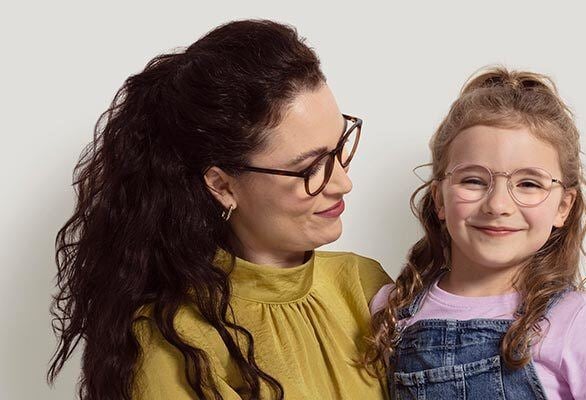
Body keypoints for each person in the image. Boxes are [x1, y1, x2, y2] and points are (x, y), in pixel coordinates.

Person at [48, 20, 391, 400]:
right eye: (309, 168)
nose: (343, 183)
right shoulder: (176, 343)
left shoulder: (363, 284)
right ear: (222, 185)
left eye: (340, 146)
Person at [365, 66, 586, 399]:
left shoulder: (577, 321)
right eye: (473, 180)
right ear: (439, 198)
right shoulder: (391, 309)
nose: (497, 205)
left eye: (528, 184)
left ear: (563, 206)